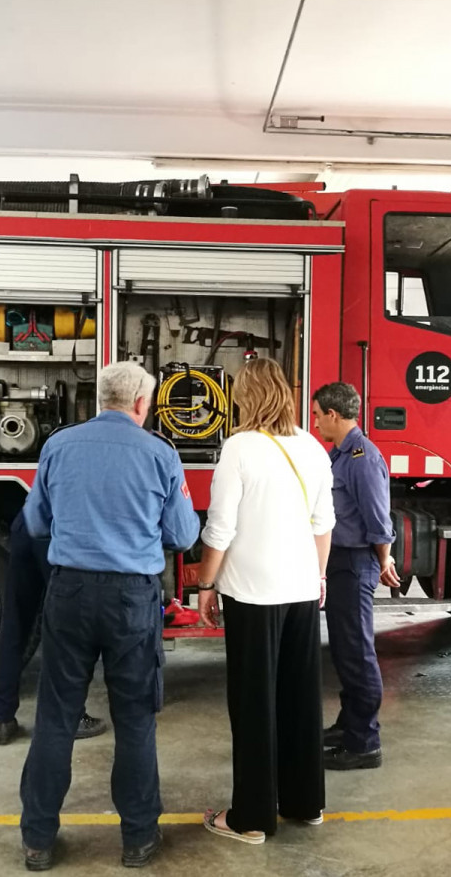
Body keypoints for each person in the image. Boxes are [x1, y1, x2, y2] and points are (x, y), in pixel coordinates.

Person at [18, 361, 200, 871]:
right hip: (131, 600)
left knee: (56, 717)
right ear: (142, 403)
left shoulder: (58, 445)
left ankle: (37, 841)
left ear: (101, 399)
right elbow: (183, 536)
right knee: (135, 720)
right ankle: (139, 840)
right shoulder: (160, 453)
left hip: (69, 592)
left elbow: (35, 521)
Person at [196, 358, 335, 844]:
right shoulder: (314, 448)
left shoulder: (240, 448)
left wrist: (205, 585)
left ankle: (251, 818)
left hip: (252, 595)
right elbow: (323, 524)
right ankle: (305, 803)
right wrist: (317, 578)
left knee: (255, 703)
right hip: (301, 591)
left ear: (246, 397)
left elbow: (220, 529)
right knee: (300, 699)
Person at [311, 382, 400, 771]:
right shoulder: (341, 455)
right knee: (346, 653)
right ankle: (349, 726)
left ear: (333, 414)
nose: (315, 423)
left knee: (357, 654)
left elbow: (378, 518)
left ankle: (365, 743)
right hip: (341, 561)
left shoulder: (362, 457)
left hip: (354, 561)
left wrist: (384, 560)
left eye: (317, 415)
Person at [0, 506, 107, 746]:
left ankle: (2, 719)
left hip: (28, 520)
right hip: (60, 528)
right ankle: (73, 717)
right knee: (67, 629)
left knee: (16, 623)